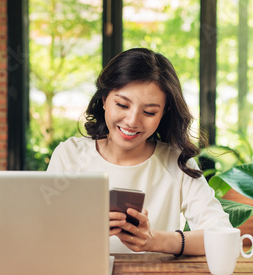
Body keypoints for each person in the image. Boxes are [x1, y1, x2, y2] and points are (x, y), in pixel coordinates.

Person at [47, 48, 231, 256]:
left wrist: (155, 240)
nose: (133, 121)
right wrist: (85, 229)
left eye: (149, 112)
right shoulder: (69, 155)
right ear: (104, 99)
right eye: (122, 105)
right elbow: (41, 231)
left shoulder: (176, 163)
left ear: (164, 113)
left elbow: (223, 236)